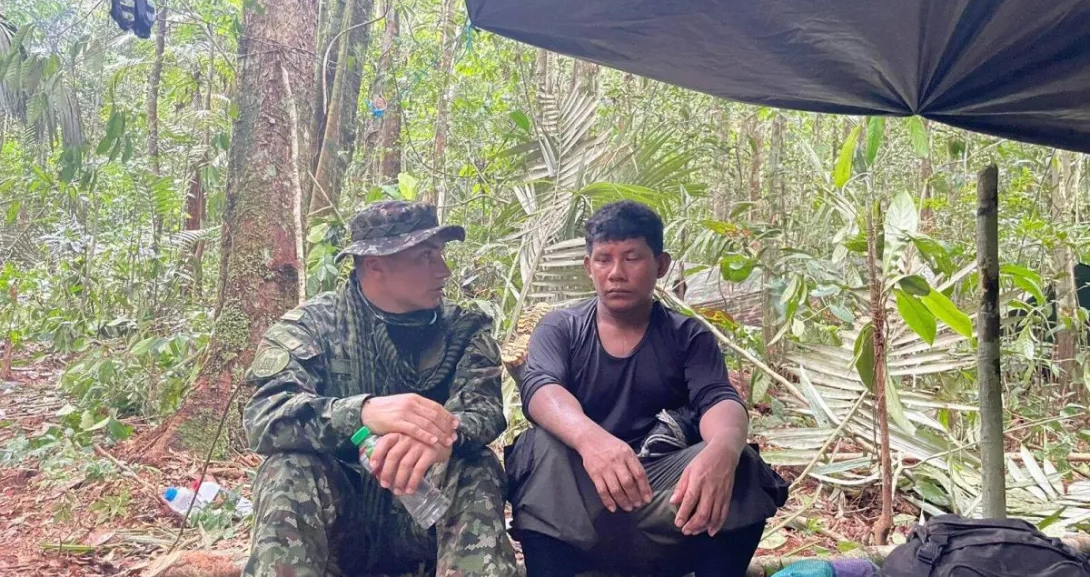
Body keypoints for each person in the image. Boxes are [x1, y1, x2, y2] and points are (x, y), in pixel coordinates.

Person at [506, 200, 788, 577]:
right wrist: (592, 441)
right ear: (588, 267)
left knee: (741, 463)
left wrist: (723, 451)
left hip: (664, 504)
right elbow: (541, 389)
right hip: (579, 508)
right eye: (604, 259)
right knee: (538, 446)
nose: (616, 273)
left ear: (661, 264)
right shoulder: (562, 328)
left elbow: (718, 398)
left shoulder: (688, 336)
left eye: (632, 258)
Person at [242, 201, 519, 577]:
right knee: (288, 468)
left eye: (441, 254)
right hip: (342, 523)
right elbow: (264, 417)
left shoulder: (463, 329)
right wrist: (362, 413)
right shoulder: (313, 326)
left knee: (474, 464)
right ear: (375, 264)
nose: (444, 270)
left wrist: (436, 435)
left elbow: (483, 410)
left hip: (428, 517)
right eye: (425, 257)